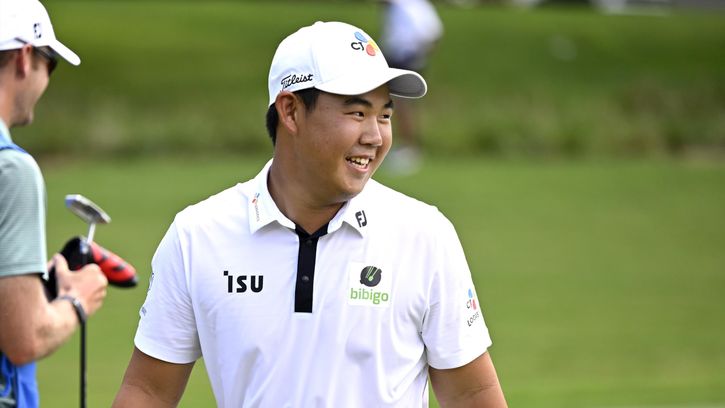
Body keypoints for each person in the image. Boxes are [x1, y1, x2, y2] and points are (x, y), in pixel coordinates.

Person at [113, 21, 506, 407]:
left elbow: (471, 395)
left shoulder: (425, 235)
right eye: (357, 113)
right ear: (290, 111)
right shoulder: (197, 235)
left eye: (384, 115)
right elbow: (149, 391)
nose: (375, 137)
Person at [0, 0, 109, 406]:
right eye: (51, 63)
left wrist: (27, 285)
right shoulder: (11, 170)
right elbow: (24, 338)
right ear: (24, 57)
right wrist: (78, 298)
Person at [378, 0, 443, 174]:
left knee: (403, 105)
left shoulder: (409, 5)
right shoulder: (398, 7)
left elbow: (431, 33)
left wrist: (414, 55)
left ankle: (409, 149)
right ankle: (403, 147)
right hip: (395, 58)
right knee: (394, 104)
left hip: (405, 59)